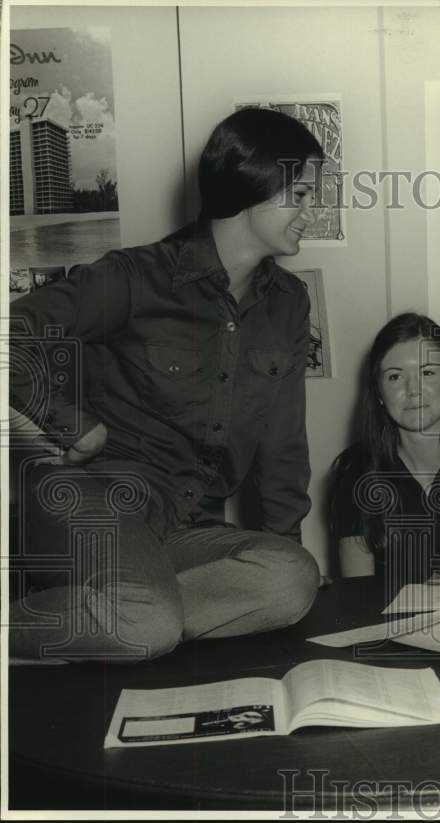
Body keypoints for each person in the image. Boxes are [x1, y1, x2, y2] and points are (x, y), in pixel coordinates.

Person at [8, 108, 324, 662]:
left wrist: (279, 549)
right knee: (149, 620)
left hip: (180, 526)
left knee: (293, 580)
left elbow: (283, 444)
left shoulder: (288, 305)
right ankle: (131, 615)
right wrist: (73, 425)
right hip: (90, 500)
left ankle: (124, 614)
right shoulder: (135, 278)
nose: (311, 209)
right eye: (299, 193)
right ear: (254, 183)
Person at [330, 313, 440, 589]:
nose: (413, 390)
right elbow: (355, 595)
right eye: (395, 376)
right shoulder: (355, 471)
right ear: (379, 393)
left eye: (427, 373)